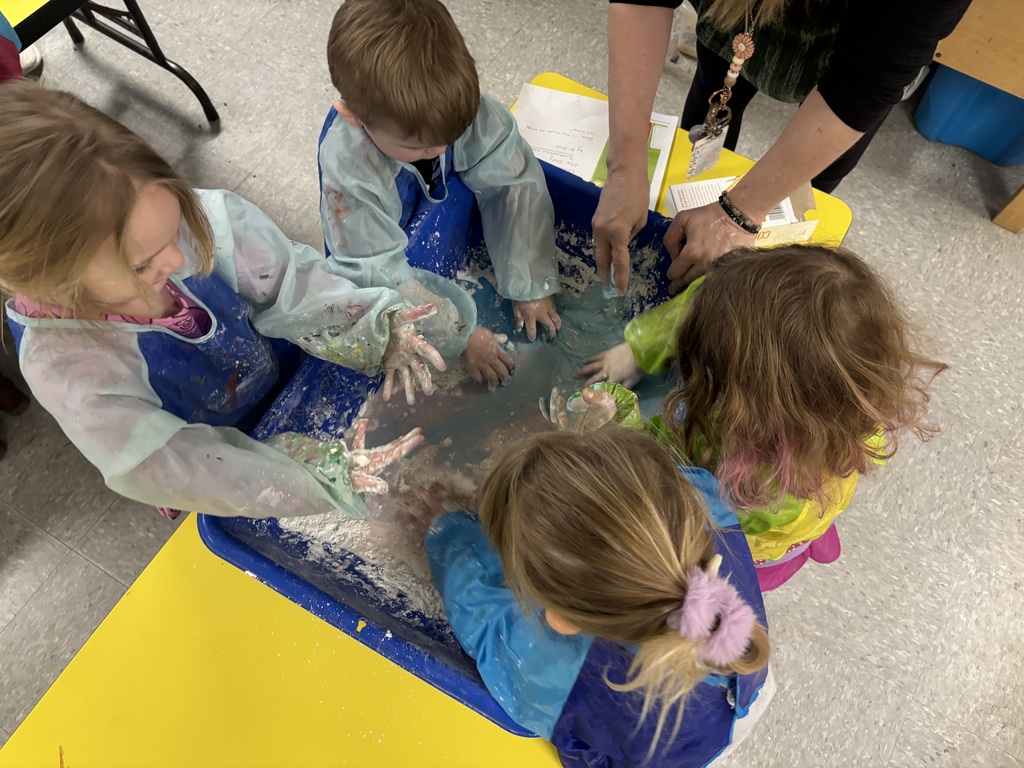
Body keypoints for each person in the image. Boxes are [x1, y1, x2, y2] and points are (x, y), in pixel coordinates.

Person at [0, 80, 445, 520]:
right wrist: (312, 476)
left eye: (174, 230)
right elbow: (183, 466)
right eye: (142, 266)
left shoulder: (186, 221)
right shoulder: (69, 374)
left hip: (272, 367)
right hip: (211, 451)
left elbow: (293, 285)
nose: (177, 257)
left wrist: (371, 327)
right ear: (50, 283)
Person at [577, 245, 946, 589]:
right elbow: (719, 297)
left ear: (743, 404)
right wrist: (639, 348)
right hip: (806, 513)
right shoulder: (853, 402)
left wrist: (616, 421)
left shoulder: (738, 477)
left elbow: (657, 490)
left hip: (734, 547)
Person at [422, 427, 772, 766]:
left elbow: (481, 619)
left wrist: (447, 530)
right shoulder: (704, 500)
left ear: (561, 620)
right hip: (747, 686)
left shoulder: (566, 675)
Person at [593, 0, 972, 293]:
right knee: (716, 100)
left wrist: (739, 214)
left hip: (856, 57)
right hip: (738, 18)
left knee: (809, 196)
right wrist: (625, 164)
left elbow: (864, 84)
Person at [319, 0, 562, 391]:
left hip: (418, 197)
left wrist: (530, 280)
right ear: (353, 115)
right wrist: (459, 336)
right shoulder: (349, 174)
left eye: (449, 139)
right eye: (421, 147)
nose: (440, 149)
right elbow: (376, 272)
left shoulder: (447, 101)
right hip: (371, 237)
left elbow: (511, 176)